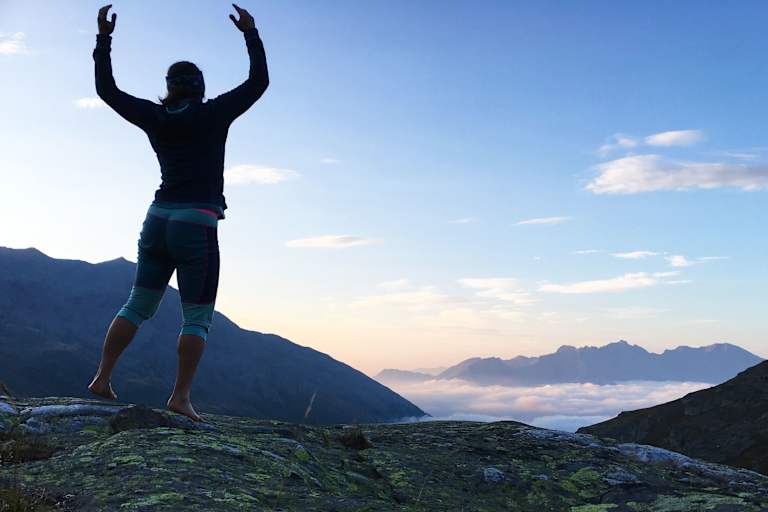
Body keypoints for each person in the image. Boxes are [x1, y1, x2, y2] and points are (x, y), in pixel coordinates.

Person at [87, 3, 269, 421]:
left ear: (169, 87)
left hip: (157, 220)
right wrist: (250, 33)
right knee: (197, 317)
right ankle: (180, 396)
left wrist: (104, 38)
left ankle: (102, 377)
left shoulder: (155, 116)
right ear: (200, 87)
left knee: (137, 304)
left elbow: (107, 91)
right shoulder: (214, 113)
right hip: (196, 224)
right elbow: (258, 81)